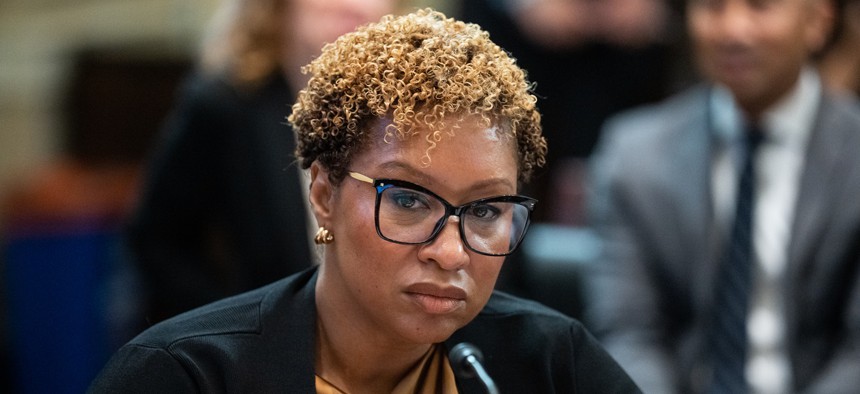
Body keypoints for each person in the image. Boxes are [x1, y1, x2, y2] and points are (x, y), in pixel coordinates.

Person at [88, 9, 641, 393]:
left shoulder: (549, 362)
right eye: (407, 200)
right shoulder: (183, 376)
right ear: (324, 193)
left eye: (486, 212)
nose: (450, 254)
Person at [585, 0, 860, 392]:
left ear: (816, 22)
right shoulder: (635, 157)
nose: (734, 31)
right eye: (713, 7)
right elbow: (628, 332)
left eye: (760, 7)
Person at [126, 0, 397, 323]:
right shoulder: (224, 105)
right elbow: (159, 243)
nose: (355, 5)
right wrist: (238, 331)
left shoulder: (403, 111)